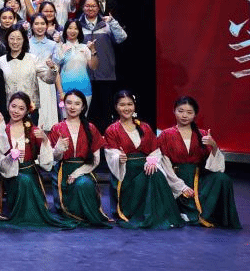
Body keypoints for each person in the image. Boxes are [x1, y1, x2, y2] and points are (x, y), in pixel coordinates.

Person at [0, 92, 76, 228]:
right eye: (13, 106)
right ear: (8, 106)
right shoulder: (3, 130)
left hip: (30, 173)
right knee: (23, 180)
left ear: (27, 111)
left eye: (21, 108)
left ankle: (31, 216)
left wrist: (45, 139)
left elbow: (47, 160)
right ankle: (21, 215)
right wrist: (10, 157)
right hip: (10, 174)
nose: (16, 111)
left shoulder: (33, 130)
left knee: (26, 179)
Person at [155, 96, 241, 229]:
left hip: (198, 179)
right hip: (174, 179)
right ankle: (183, 211)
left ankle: (214, 215)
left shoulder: (202, 134)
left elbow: (215, 167)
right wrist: (181, 186)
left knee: (222, 178)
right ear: (174, 111)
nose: (184, 115)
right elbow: (164, 165)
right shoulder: (166, 135)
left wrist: (214, 146)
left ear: (195, 114)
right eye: (181, 111)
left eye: (189, 112)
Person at [103, 91, 183, 230]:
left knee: (155, 173)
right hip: (126, 173)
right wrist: (119, 158)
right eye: (122, 105)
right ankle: (145, 215)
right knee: (152, 175)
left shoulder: (144, 127)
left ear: (134, 106)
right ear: (116, 107)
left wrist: (151, 162)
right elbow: (111, 153)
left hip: (145, 167)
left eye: (129, 104)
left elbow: (155, 149)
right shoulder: (112, 130)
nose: (126, 108)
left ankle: (161, 216)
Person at [49, 89, 112, 228]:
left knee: (83, 183)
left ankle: (88, 214)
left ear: (83, 107)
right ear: (64, 104)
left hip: (85, 169)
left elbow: (96, 160)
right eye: (69, 103)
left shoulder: (91, 128)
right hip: (63, 171)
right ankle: (71, 213)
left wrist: (78, 173)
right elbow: (53, 159)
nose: (72, 107)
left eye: (77, 104)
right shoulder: (57, 128)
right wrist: (58, 149)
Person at [78, 0, 127, 129]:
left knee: (105, 112)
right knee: (86, 111)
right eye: (87, 6)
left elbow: (122, 38)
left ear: (99, 7)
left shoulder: (107, 24)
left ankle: (106, 138)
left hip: (105, 73)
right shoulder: (77, 25)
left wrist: (113, 22)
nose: (90, 8)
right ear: (83, 8)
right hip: (84, 74)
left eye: (93, 6)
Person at [0, 27, 56, 119]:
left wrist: (52, 69)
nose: (15, 42)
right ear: (7, 40)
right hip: (8, 109)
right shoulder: (0, 61)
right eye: (12, 38)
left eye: (19, 39)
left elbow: (49, 79)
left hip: (30, 108)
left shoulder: (33, 59)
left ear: (24, 40)